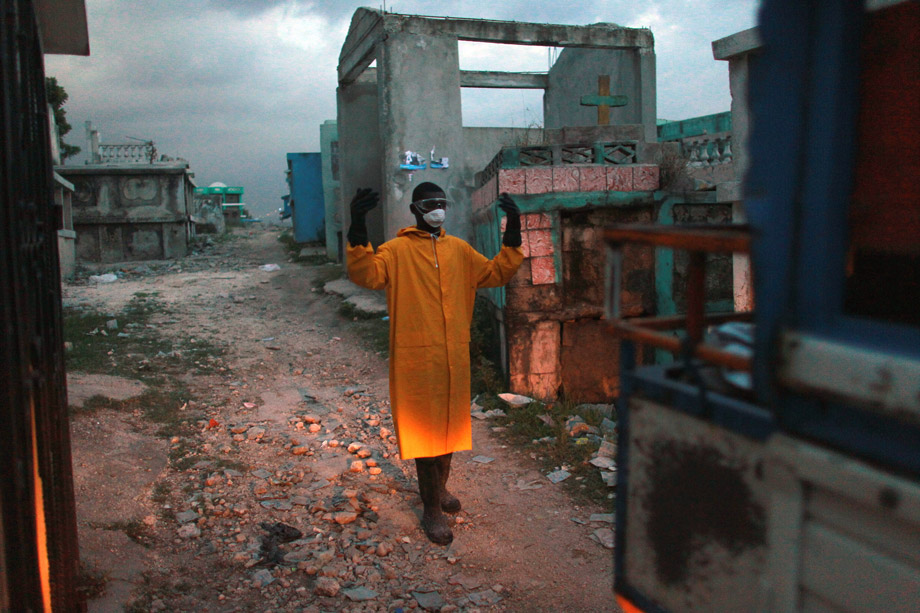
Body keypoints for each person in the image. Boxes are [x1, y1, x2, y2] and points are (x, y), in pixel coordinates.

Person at [346, 182, 523, 545]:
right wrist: (358, 224)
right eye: (430, 203)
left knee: (449, 430)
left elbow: (495, 274)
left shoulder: (459, 250)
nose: (437, 209)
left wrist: (514, 231)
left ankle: (439, 489)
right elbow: (367, 275)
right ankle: (431, 509)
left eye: (442, 203)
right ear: (415, 209)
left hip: (453, 356)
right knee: (425, 436)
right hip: (415, 357)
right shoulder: (396, 252)